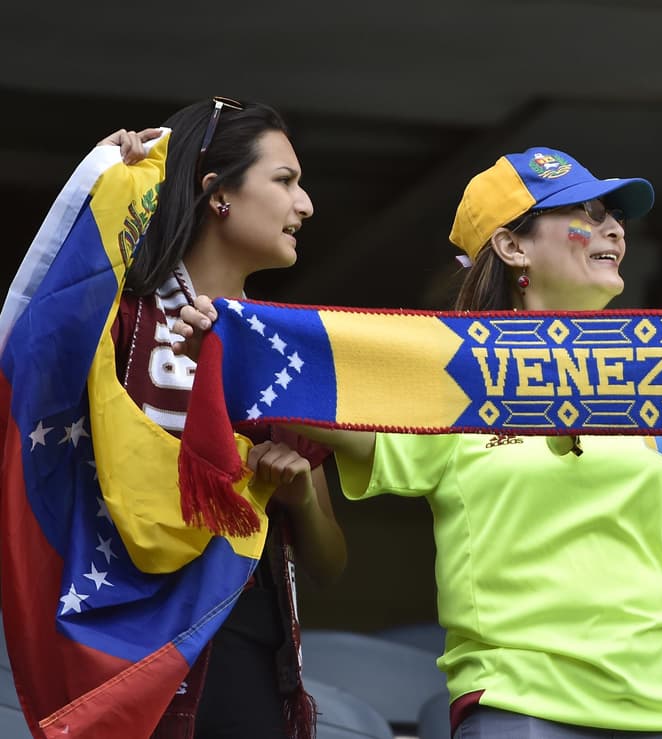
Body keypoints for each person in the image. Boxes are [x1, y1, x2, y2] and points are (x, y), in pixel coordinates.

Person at [177, 146, 662, 738]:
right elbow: (311, 400)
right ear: (511, 244)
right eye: (584, 214)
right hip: (521, 705)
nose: (614, 228)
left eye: (615, 215)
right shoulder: (442, 374)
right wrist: (233, 344)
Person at [101, 97, 347, 739]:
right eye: (285, 181)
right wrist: (108, 183)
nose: (306, 205)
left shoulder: (285, 349)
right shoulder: (119, 322)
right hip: (127, 643)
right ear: (218, 194)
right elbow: (33, 348)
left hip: (251, 655)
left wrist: (302, 500)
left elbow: (328, 563)